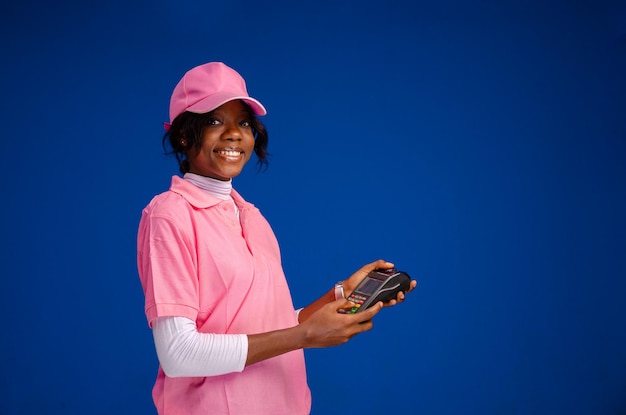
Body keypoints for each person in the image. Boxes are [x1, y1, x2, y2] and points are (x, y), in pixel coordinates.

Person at [137, 62, 417, 415]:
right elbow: (178, 354)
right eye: (213, 120)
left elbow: (273, 328)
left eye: (243, 122)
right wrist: (304, 337)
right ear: (182, 135)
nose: (234, 134)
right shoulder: (169, 215)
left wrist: (341, 294)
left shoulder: (252, 217)